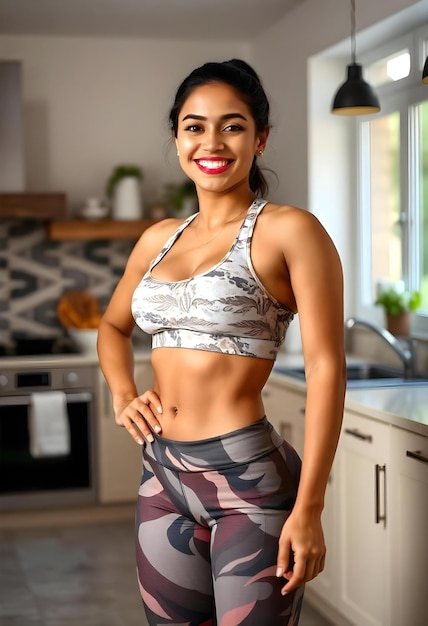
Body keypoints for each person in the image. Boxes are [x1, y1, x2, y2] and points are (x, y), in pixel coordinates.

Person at [97, 58, 346, 626]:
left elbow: (327, 368)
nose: (212, 142)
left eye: (232, 126)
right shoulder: (159, 237)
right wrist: (121, 393)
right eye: (195, 126)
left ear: (260, 138)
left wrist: (309, 508)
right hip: (161, 474)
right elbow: (112, 327)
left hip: (249, 485)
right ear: (177, 137)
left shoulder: (290, 230)